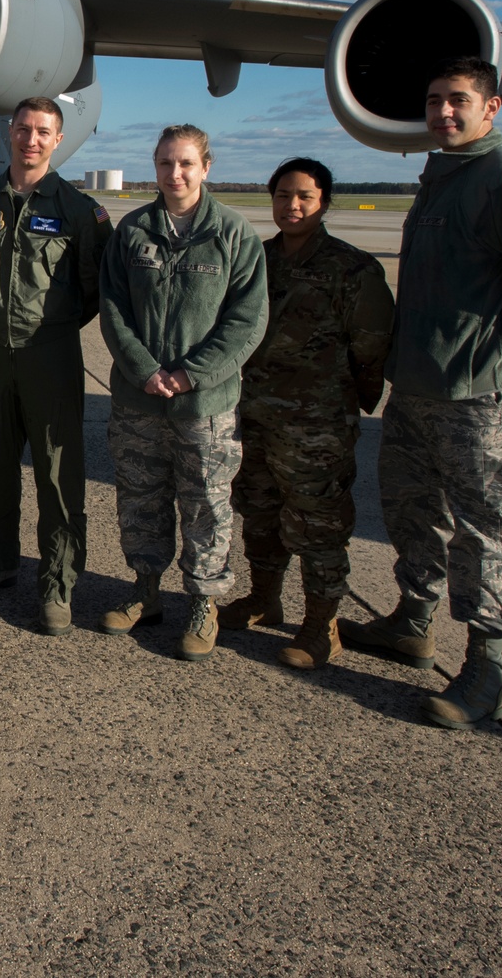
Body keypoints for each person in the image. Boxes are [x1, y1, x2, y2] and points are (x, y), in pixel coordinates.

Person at [343, 57, 502, 729]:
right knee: (411, 510)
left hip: (479, 393)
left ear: (492, 106)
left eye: (458, 100)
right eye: (434, 101)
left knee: (483, 530)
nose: (443, 112)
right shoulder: (443, 176)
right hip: (417, 386)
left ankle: (487, 666)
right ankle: (412, 620)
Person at [98, 124, 267, 661]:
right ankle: (146, 589)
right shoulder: (133, 231)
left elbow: (247, 320)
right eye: (166, 163)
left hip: (204, 405)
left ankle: (203, 603)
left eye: (186, 163)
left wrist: (193, 373)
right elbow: (114, 309)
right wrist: (144, 370)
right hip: (139, 399)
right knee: (140, 498)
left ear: (206, 167)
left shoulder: (233, 234)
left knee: (206, 506)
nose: (175, 173)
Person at [221, 157, 392, 669]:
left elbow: (372, 345)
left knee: (319, 523)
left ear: (324, 203)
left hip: (317, 424)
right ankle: (264, 598)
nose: (292, 206)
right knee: (258, 509)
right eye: (283, 196)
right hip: (254, 413)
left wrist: (342, 401)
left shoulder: (352, 268)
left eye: (305, 197)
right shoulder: (255, 258)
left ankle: (321, 626)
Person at [0, 97, 109, 635]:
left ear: (57, 140)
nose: (31, 139)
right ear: (9, 133)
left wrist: (51, 328)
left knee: (58, 474)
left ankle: (57, 584)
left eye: (43, 131)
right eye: (23, 129)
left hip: (53, 353)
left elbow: (93, 288)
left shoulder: (79, 210)